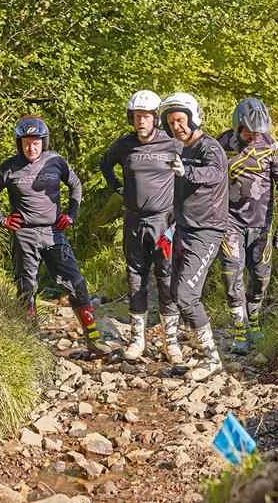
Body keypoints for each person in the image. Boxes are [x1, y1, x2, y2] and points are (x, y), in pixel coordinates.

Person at [0, 114, 111, 357]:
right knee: (26, 287)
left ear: (45, 141)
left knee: (76, 283)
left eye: (37, 141)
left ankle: (93, 339)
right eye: (27, 142)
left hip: (54, 233)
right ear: (19, 143)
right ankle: (30, 345)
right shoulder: (10, 166)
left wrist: (71, 214)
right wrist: (1, 219)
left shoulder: (56, 162)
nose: (32, 147)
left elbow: (76, 184)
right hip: (24, 234)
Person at [100, 90, 184, 363]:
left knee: (167, 279)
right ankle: (137, 340)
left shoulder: (171, 144)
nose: (141, 122)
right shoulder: (124, 145)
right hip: (134, 221)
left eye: (146, 117)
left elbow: (190, 170)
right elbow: (106, 165)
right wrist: (119, 189)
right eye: (137, 117)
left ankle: (171, 342)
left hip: (163, 223)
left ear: (155, 119)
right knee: (135, 278)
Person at [159, 93, 229, 381]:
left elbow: (213, 174)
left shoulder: (210, 148)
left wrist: (187, 170)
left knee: (187, 296)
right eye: (171, 122)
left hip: (207, 230)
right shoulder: (182, 149)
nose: (177, 126)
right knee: (175, 291)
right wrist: (172, 216)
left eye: (180, 119)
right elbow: (185, 190)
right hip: (184, 227)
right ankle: (181, 346)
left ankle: (212, 358)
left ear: (193, 116)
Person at [216, 98, 278, 354]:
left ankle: (255, 322)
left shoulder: (271, 146)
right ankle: (240, 330)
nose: (253, 134)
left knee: (260, 277)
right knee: (231, 274)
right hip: (230, 222)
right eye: (249, 130)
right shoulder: (222, 143)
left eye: (258, 130)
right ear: (239, 124)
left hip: (261, 224)